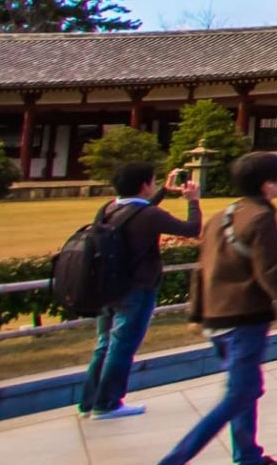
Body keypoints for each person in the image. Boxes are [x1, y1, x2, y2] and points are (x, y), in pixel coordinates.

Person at [146, 152, 277, 465]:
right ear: (268, 184)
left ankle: (249, 456)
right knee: (240, 393)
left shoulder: (222, 215)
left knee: (245, 389)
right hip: (244, 317)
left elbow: (201, 268)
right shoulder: (262, 216)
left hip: (217, 320)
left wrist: (196, 312)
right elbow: (271, 272)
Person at [80, 164, 202, 420]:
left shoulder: (108, 209)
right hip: (137, 288)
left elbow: (137, 213)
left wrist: (163, 193)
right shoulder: (148, 215)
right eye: (153, 182)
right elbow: (192, 229)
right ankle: (108, 403)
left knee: (104, 344)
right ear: (145, 185)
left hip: (108, 287)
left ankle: (90, 402)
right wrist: (193, 201)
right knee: (122, 346)